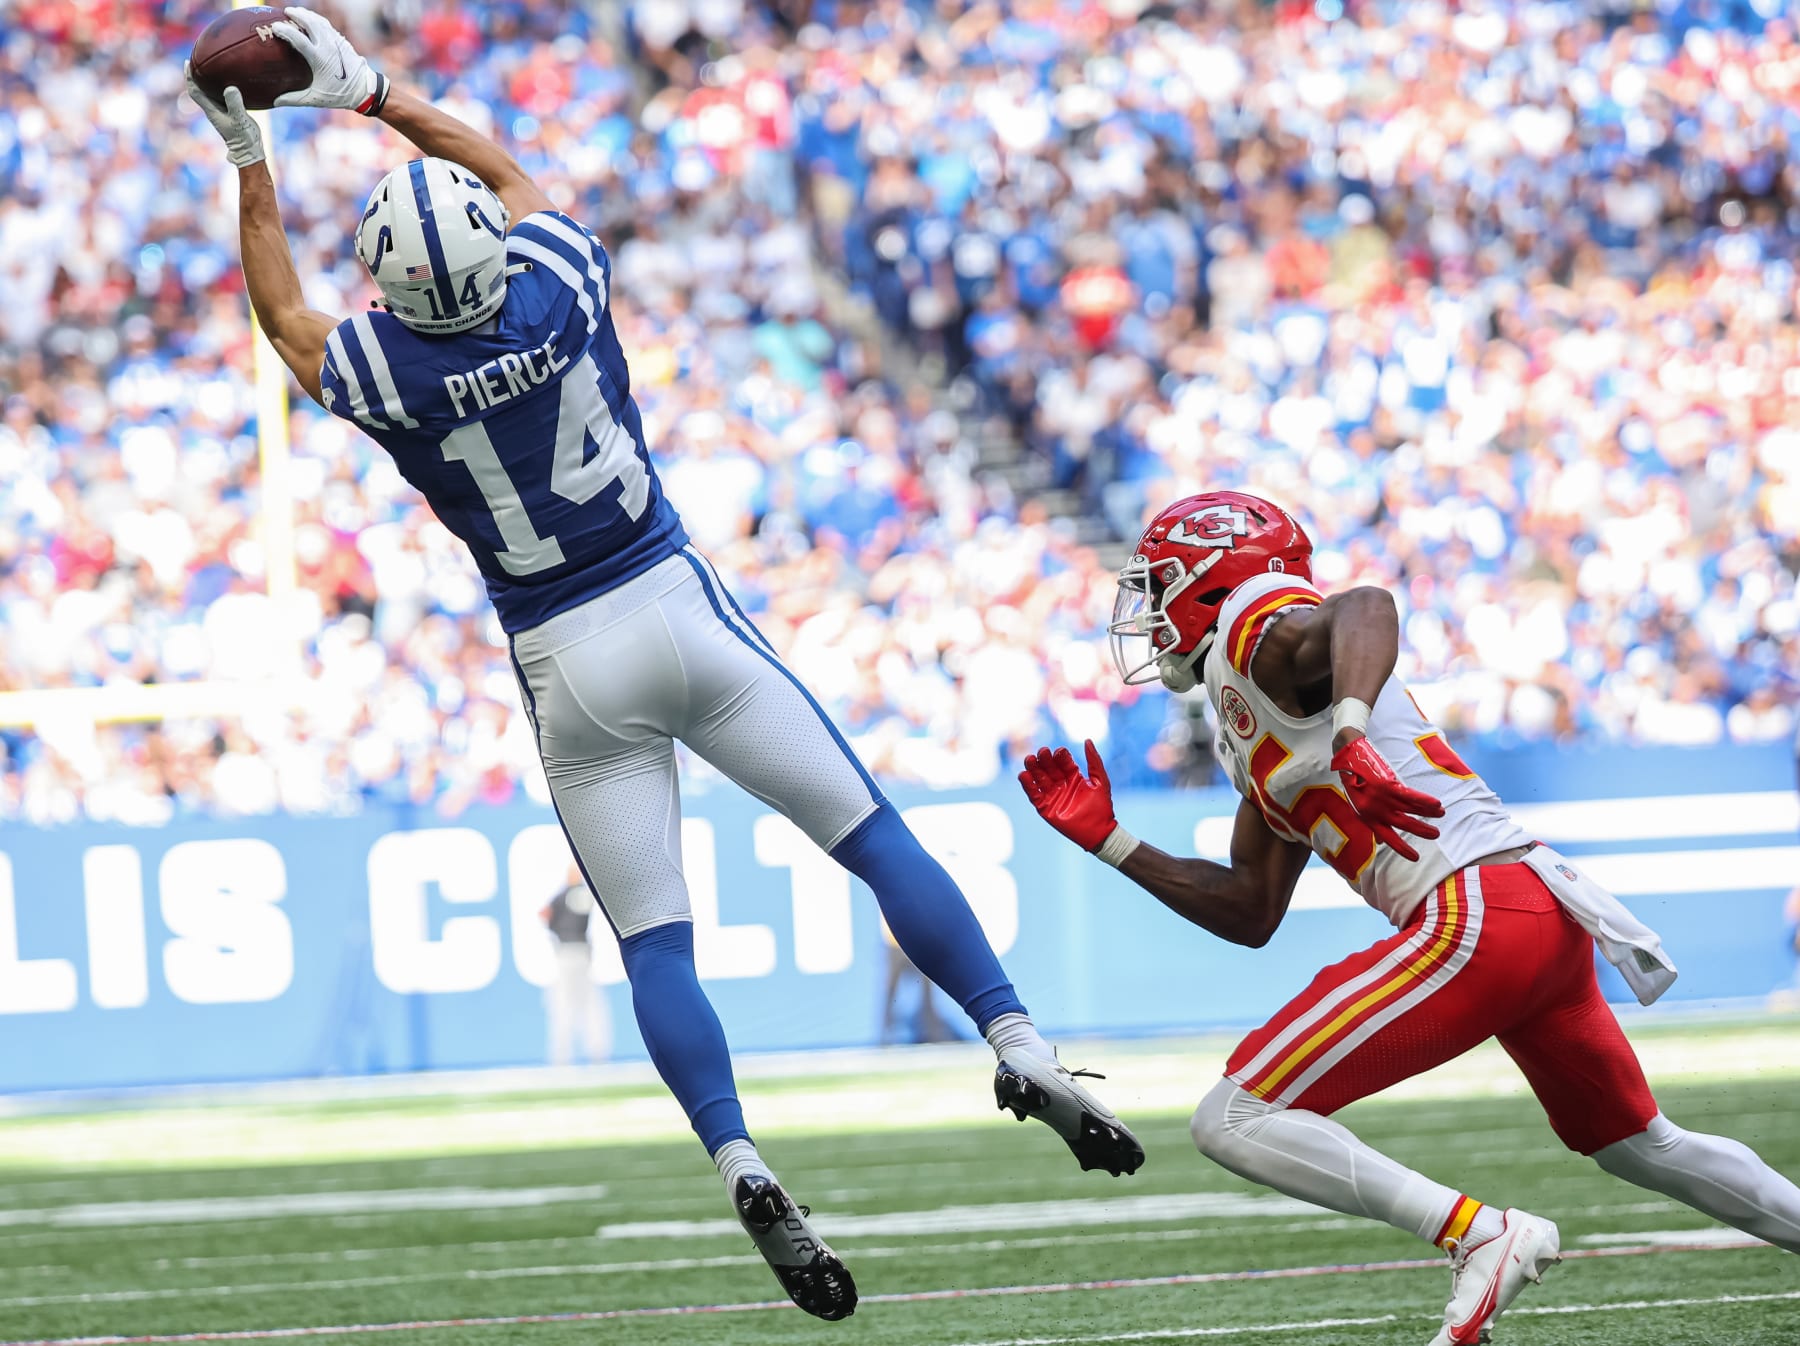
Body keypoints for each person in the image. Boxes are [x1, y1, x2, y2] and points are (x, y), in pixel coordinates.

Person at [185, 10, 1141, 1320]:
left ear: (394, 288)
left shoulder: (384, 370)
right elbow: (523, 186)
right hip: (672, 597)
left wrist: (250, 154)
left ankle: (740, 1154)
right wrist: (373, 94)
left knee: (657, 945)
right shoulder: (560, 283)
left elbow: (286, 315)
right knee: (873, 839)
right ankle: (1018, 1040)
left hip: (563, 654)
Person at [1020, 491, 1800, 1346]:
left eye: (1160, 584)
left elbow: (1366, 605)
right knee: (1637, 1144)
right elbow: (1250, 908)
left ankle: (1480, 1234)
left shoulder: (1253, 624)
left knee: (1233, 1117)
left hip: (1474, 910)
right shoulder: (1245, 714)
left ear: (1213, 579)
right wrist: (1114, 843)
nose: (1150, 609)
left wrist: (1352, 731)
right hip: (1530, 909)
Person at [541, 864, 612, 1066]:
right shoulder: (581, 894)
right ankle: (594, 1051)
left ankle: (564, 1053)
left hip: (568, 952)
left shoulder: (566, 895)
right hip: (579, 952)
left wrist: (555, 929)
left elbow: (545, 914)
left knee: (565, 1003)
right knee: (586, 1003)